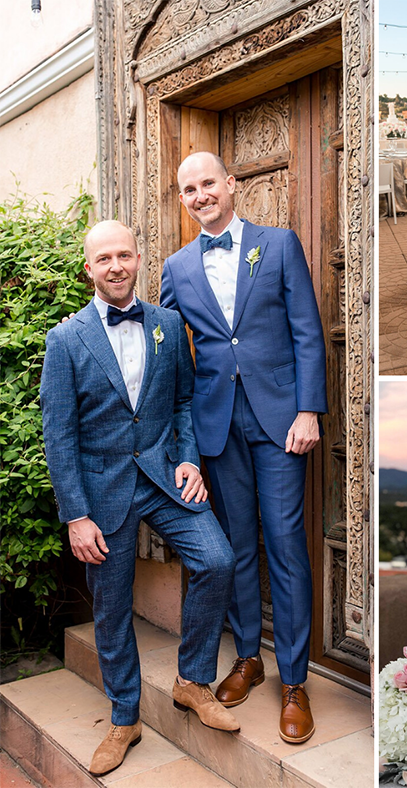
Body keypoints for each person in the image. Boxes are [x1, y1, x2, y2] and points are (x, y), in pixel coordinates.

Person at [41, 220, 240, 777]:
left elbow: (182, 401)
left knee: (217, 559)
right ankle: (124, 716)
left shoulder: (168, 325)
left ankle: (191, 681)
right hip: (101, 494)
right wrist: (76, 515)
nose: (116, 267)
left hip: (162, 476)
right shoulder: (66, 340)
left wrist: (187, 458)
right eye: (103, 259)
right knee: (110, 604)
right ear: (90, 269)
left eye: (124, 255)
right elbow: (59, 436)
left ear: (137, 259)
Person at [160, 152, 327, 744]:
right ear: (181, 199)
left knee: (284, 542)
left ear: (231, 185)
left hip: (282, 421)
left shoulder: (278, 244)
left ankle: (294, 680)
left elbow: (308, 330)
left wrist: (309, 409)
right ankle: (248, 660)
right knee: (235, 547)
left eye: (209, 183)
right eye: (189, 189)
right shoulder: (176, 267)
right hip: (217, 426)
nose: (200, 194)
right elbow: (167, 352)